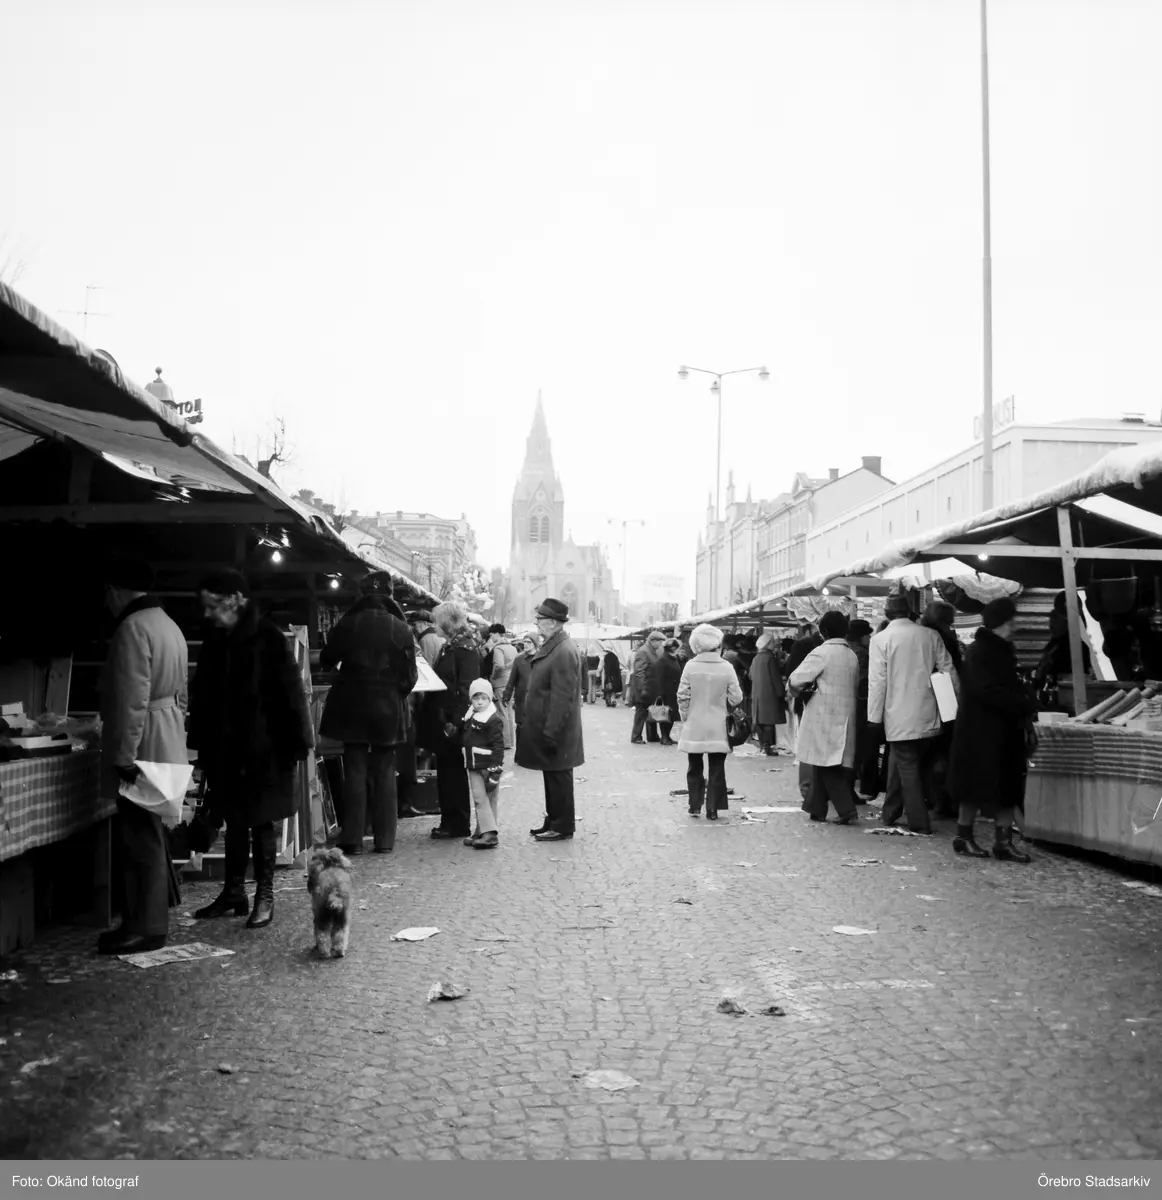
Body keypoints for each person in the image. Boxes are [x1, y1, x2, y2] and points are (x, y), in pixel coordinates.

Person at [188, 569, 313, 929]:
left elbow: (292, 696)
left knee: (261, 821)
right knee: (233, 818)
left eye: (213, 605)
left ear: (234, 600)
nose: (207, 613)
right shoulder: (215, 640)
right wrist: (202, 747)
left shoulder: (268, 638)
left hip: (265, 750)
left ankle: (265, 895)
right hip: (225, 750)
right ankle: (233, 892)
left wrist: (296, 744)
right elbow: (203, 697)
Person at [96, 556, 188, 956]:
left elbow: (130, 701)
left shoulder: (133, 627)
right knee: (149, 834)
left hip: (144, 741)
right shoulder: (168, 624)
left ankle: (147, 926)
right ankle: (146, 921)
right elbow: (181, 694)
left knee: (139, 839)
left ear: (116, 591)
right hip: (167, 735)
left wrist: (122, 756)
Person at [319, 572, 418, 856]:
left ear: (362, 595)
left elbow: (327, 658)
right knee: (385, 769)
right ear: (389, 595)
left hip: (352, 706)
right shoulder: (402, 628)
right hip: (387, 708)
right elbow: (410, 677)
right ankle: (384, 840)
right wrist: (394, 694)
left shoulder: (348, 623)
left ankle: (352, 838)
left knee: (355, 770)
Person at [949, 597, 1039, 861]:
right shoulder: (981, 652)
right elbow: (984, 690)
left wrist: (1025, 696)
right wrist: (1019, 701)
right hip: (981, 732)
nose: (1017, 624)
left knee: (1007, 786)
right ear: (1004, 622)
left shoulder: (1002, 650)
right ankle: (963, 836)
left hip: (1003, 730)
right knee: (974, 785)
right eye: (1013, 619)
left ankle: (1003, 841)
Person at [867, 593, 957, 835]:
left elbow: (877, 682)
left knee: (906, 766)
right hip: (929, 712)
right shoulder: (930, 635)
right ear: (909, 612)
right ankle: (890, 812)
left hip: (898, 714)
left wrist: (873, 718)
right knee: (903, 763)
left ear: (887, 614)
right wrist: (953, 707)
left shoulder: (880, 640)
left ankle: (919, 821)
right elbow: (949, 672)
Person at [517, 598, 584, 841]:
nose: (536, 622)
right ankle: (554, 818)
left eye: (540, 619)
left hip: (557, 729)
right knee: (552, 775)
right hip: (550, 726)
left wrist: (551, 731)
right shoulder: (555, 645)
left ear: (553, 623)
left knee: (559, 777)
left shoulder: (563, 650)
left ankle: (563, 825)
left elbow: (562, 698)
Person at [789, 611, 861, 824]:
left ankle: (846, 810)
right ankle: (816, 808)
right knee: (823, 761)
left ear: (824, 631)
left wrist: (795, 692)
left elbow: (796, 680)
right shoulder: (851, 654)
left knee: (826, 764)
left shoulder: (821, 653)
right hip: (846, 713)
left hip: (823, 714)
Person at [420, 601, 481, 841]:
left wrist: (455, 721)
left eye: (437, 621)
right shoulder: (452, 647)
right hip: (444, 718)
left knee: (452, 772)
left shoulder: (464, 649)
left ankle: (457, 823)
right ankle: (450, 820)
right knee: (447, 772)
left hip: (452, 721)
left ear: (448, 622)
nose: (435, 625)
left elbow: (467, 688)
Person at [676, 624, 743, 819]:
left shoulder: (690, 666)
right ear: (717, 644)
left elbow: (682, 695)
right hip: (718, 724)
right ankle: (712, 808)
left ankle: (694, 805)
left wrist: (685, 716)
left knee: (694, 766)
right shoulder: (726, 667)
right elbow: (736, 697)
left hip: (695, 723)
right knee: (717, 768)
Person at [919, 600, 962, 818]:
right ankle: (942, 800)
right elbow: (952, 671)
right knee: (943, 751)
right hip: (945, 700)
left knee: (927, 752)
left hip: (921, 699)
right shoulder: (944, 639)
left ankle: (928, 796)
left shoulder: (919, 636)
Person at [461, 678, 506, 849]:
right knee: (483, 800)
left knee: (483, 799)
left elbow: (498, 745)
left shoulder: (493, 720)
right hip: (474, 764)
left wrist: (496, 768)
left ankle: (489, 834)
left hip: (487, 765)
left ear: (490, 699)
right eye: (476, 698)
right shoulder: (470, 716)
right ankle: (482, 831)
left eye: (484, 698)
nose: (480, 702)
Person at [846, 619, 882, 800]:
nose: (870, 637)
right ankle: (852, 790)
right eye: (868, 634)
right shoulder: (860, 653)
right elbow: (861, 682)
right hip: (861, 708)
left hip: (851, 707)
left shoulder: (848, 649)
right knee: (861, 750)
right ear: (861, 636)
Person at [749, 631, 787, 756]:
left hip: (757, 693)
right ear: (768, 644)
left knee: (760, 721)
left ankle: (762, 746)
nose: (775, 645)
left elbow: (750, 675)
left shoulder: (756, 658)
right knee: (769, 721)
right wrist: (781, 693)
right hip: (769, 693)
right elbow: (775, 678)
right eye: (773, 643)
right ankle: (767, 747)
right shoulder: (770, 658)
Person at [630, 630, 667, 743]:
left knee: (651, 712)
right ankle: (636, 737)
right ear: (653, 641)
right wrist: (643, 689)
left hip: (651, 688)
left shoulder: (653, 651)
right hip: (644, 689)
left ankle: (652, 736)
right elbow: (639, 672)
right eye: (659, 642)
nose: (660, 644)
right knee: (641, 713)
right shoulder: (643, 652)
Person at [503, 631, 540, 742]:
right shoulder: (519, 659)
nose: (526, 644)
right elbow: (512, 679)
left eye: (529, 642)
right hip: (521, 699)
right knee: (521, 727)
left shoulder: (542, 658)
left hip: (538, 700)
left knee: (535, 729)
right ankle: (519, 752)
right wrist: (506, 695)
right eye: (524, 642)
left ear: (535, 643)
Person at [486, 624, 519, 750]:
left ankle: (505, 742)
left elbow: (499, 666)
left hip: (500, 683)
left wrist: (493, 677)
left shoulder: (498, 649)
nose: (491, 637)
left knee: (501, 712)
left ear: (496, 634)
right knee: (509, 713)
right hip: (510, 682)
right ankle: (510, 741)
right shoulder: (512, 648)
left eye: (492, 635)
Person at [655, 639, 684, 746]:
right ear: (672, 648)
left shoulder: (674, 659)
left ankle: (667, 736)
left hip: (674, 692)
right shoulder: (663, 660)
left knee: (672, 716)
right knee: (665, 715)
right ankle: (664, 737)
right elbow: (659, 678)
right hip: (666, 693)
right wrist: (660, 694)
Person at [600, 642, 623, 707]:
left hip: (609, 676)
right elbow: (617, 667)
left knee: (608, 689)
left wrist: (608, 675)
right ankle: (613, 700)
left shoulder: (606, 657)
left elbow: (607, 668)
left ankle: (608, 701)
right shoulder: (615, 656)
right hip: (615, 676)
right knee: (613, 689)